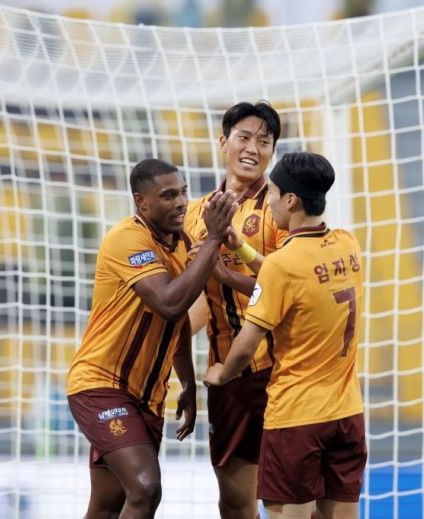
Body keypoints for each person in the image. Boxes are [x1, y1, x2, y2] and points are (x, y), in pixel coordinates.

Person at [67, 158, 237, 518]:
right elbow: (169, 304)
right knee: (145, 487)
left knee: (108, 505)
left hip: (147, 397)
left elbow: (176, 324)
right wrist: (214, 238)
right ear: (141, 202)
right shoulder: (128, 238)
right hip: (101, 386)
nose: (181, 202)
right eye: (169, 195)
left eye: (183, 193)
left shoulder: (182, 244)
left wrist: (187, 384)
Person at [205, 151, 367, 519]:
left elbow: (246, 346)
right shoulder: (348, 244)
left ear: (291, 200)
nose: (269, 201)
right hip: (347, 414)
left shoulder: (283, 265)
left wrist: (222, 375)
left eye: (273, 193)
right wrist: (241, 248)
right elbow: (293, 275)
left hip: (297, 417)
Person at [184, 100, 286, 519]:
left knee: (292, 500)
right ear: (223, 141)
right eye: (244, 137)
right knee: (234, 503)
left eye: (264, 141)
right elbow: (196, 300)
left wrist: (227, 276)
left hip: (280, 371)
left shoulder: (282, 209)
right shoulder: (194, 215)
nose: (253, 148)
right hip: (226, 372)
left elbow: (291, 290)